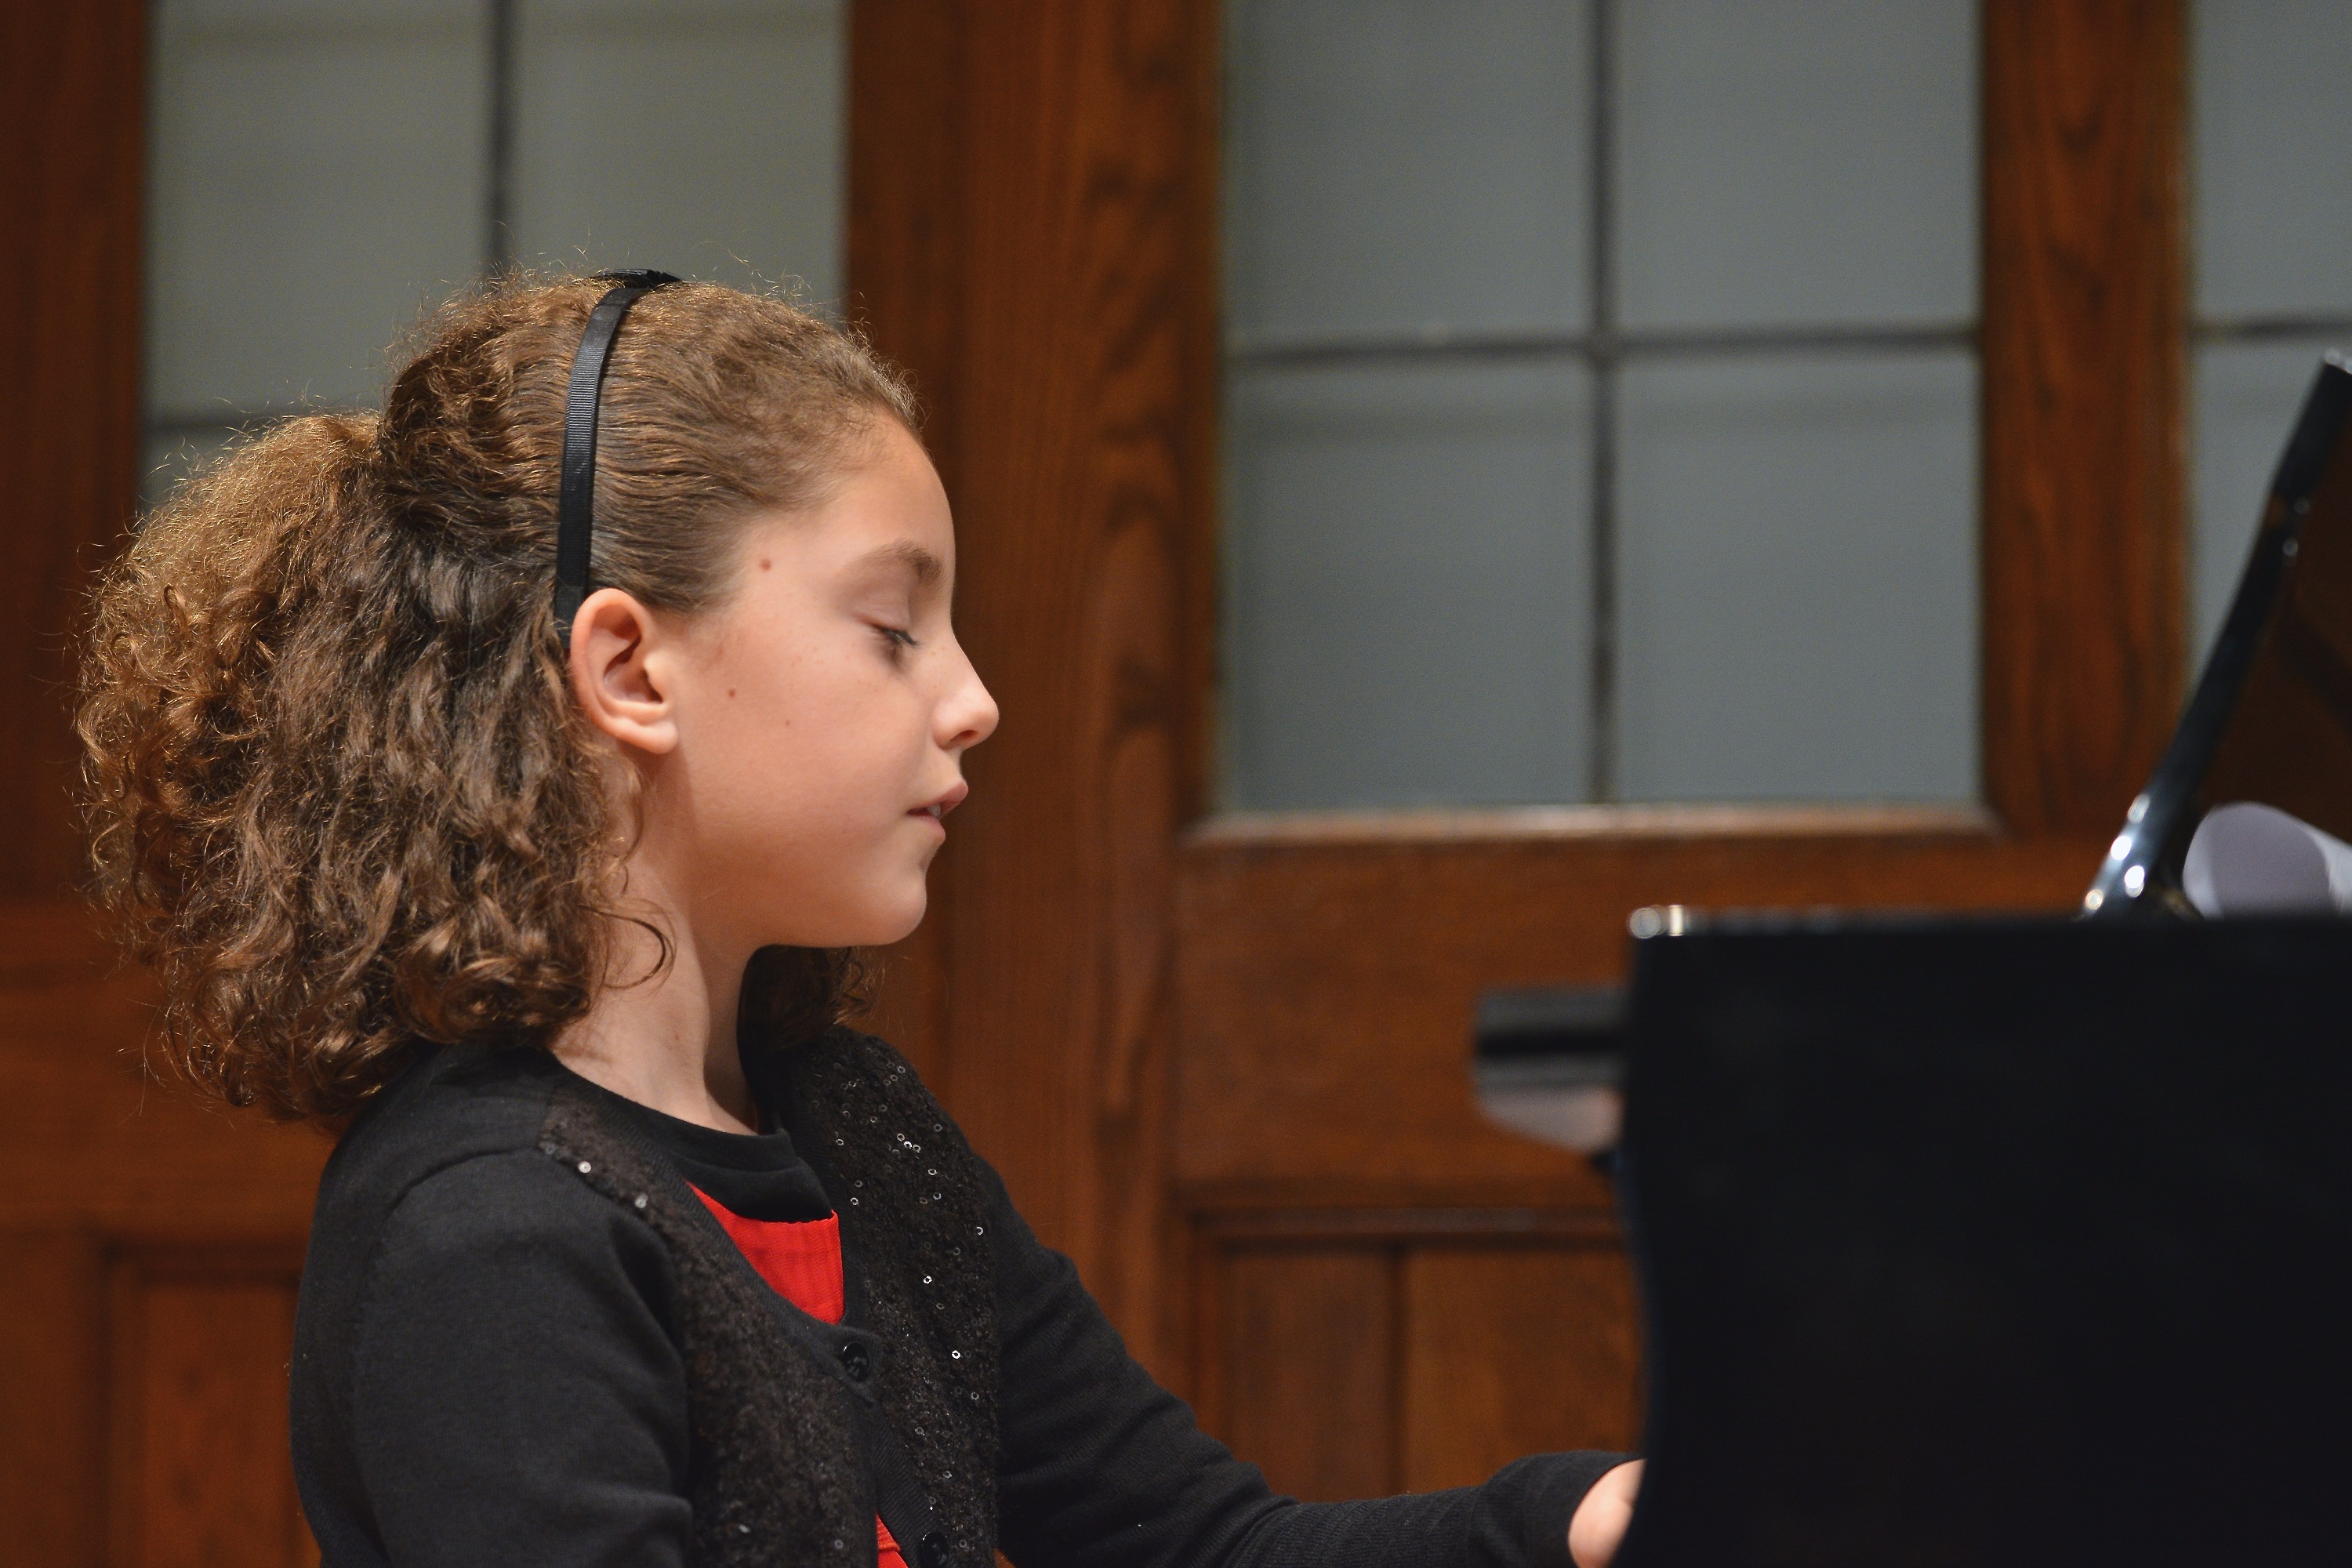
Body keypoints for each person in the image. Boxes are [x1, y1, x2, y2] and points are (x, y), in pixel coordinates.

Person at [75, 272, 1644, 1568]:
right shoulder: (486, 1235)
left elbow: (1199, 1545)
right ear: (629, 671)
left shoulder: (856, 1134)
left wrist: (1571, 1525)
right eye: (895, 628)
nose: (975, 701)